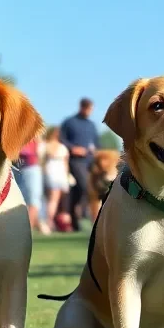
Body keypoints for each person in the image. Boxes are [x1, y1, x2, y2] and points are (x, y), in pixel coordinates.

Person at [59, 98, 99, 232]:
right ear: (82, 107)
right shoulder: (69, 122)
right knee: (85, 186)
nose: (89, 112)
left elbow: (97, 143)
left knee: (78, 190)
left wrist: (96, 151)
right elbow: (61, 139)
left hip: (90, 161)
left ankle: (74, 221)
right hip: (75, 161)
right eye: (88, 109)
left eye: (91, 110)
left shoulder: (92, 125)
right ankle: (83, 215)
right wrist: (72, 148)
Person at [13, 135, 46, 233]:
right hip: (23, 168)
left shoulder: (30, 134)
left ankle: (27, 230)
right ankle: (25, 230)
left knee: (32, 199)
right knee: (27, 200)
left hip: (29, 167)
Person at [41, 126, 70, 231]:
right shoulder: (62, 147)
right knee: (54, 200)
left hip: (51, 173)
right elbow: (66, 164)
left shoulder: (45, 146)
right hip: (59, 174)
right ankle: (49, 222)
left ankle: (49, 221)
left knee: (51, 199)